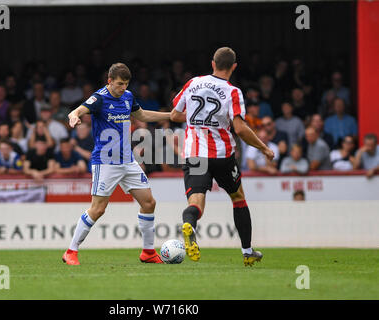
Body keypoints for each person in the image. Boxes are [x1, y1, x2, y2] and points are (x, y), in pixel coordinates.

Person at [170, 47, 275, 266]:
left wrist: (195, 119)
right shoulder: (232, 91)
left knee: (196, 202)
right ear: (234, 67)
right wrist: (264, 148)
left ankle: (189, 224)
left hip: (195, 154)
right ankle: (247, 251)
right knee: (238, 198)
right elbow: (241, 129)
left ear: (212, 64)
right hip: (221, 154)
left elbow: (174, 114)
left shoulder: (193, 83)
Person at [64, 62, 171, 265]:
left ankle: (148, 253)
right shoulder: (99, 98)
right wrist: (73, 117)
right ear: (110, 81)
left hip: (128, 161)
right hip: (105, 162)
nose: (123, 88)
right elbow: (78, 110)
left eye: (126, 84)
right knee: (98, 209)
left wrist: (170, 115)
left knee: (149, 203)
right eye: (120, 84)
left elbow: (143, 115)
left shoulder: (128, 96)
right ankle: (71, 251)